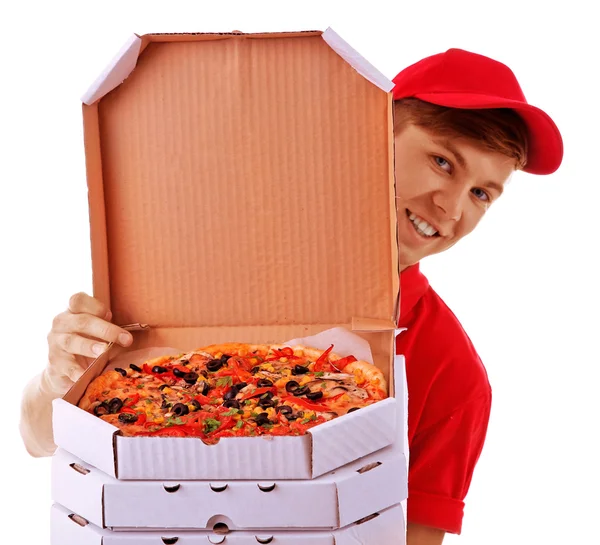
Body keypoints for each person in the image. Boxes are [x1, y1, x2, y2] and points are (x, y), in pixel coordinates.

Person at [19, 47, 562, 544]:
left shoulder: (454, 374)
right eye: (442, 161)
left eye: (481, 193)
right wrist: (58, 378)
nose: (451, 206)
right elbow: (37, 437)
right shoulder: (194, 268)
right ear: (369, 134)